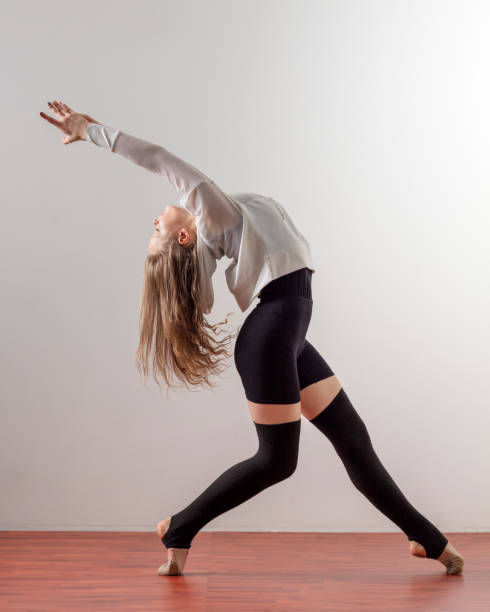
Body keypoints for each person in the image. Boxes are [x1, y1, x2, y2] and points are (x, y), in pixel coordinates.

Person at [40, 100, 464, 578]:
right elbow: (160, 158)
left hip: (287, 333)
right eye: (157, 229)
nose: (154, 220)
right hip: (273, 333)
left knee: (353, 440)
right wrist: (93, 131)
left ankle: (426, 538)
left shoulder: (220, 227)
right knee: (277, 461)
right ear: (184, 238)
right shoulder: (213, 214)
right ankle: (180, 527)